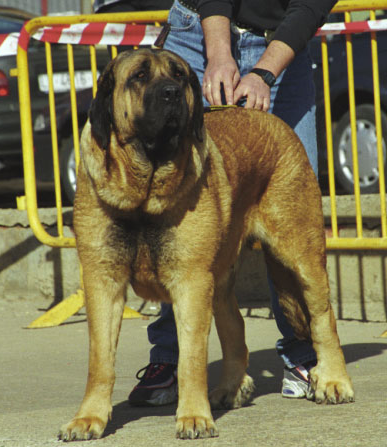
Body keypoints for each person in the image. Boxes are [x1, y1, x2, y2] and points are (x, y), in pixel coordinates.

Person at [94, 0, 337, 405]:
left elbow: (310, 6)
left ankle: (305, 353)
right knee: (176, 215)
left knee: (300, 235)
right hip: (195, 34)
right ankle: (168, 360)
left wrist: (264, 71)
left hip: (281, 44)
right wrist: (219, 54)